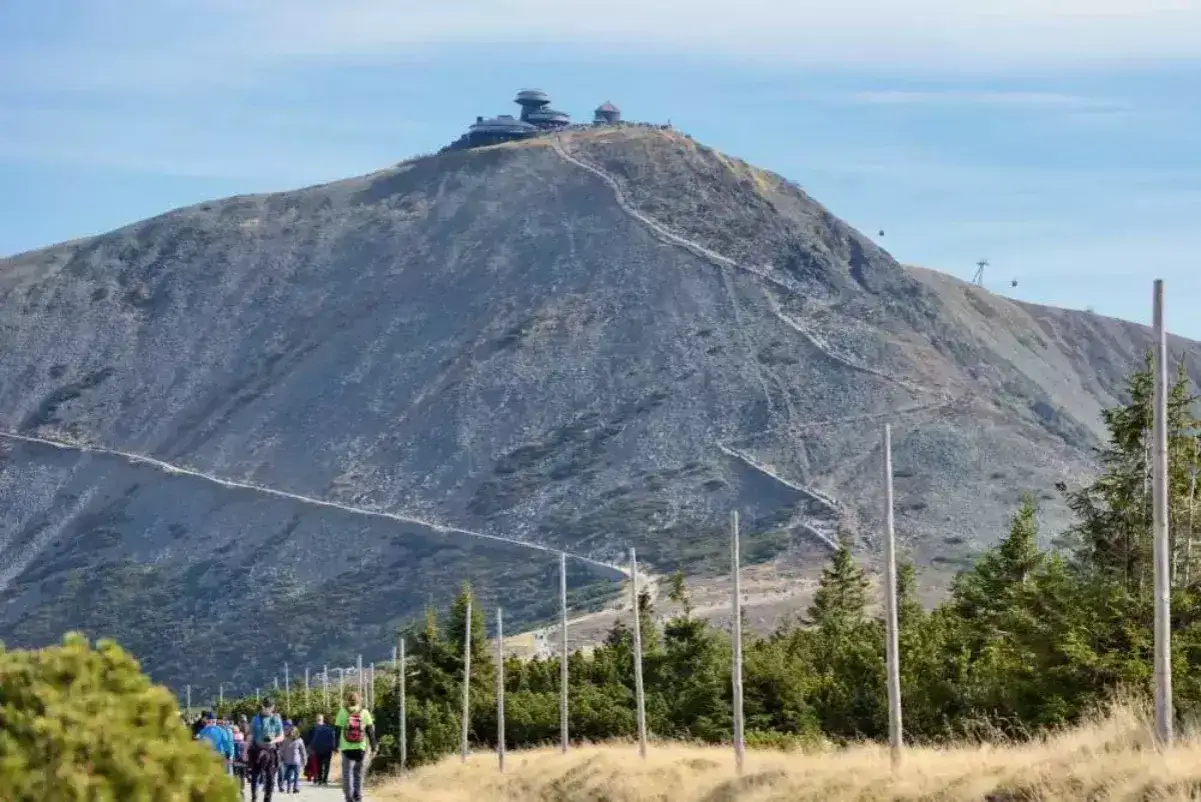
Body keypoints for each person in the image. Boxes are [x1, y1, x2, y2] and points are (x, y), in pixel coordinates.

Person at [334, 691, 377, 802]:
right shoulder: (365, 712)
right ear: (359, 700)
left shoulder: (342, 712)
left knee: (347, 774)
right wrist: (374, 746)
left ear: (347, 701)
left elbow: (337, 730)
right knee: (358, 774)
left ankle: (349, 798)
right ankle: (358, 797)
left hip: (346, 748)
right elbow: (370, 731)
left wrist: (335, 746)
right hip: (361, 747)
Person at [248, 697, 286, 802]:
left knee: (270, 776)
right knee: (255, 775)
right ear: (262, 706)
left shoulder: (276, 719)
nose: (268, 709)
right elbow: (250, 735)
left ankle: (267, 798)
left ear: (273, 707)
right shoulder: (255, 719)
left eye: (270, 707)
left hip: (271, 751)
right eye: (266, 707)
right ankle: (254, 797)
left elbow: (281, 736)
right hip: (256, 750)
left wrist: (273, 740)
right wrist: (245, 751)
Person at [308, 714, 337, 786]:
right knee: (327, 765)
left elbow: (312, 739)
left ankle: (320, 779)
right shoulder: (330, 729)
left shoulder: (315, 728)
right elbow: (332, 739)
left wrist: (312, 747)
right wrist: (334, 748)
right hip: (328, 749)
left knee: (319, 764)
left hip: (318, 748)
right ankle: (325, 780)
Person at [280, 727, 307, 794]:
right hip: (295, 761)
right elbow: (303, 751)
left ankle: (290, 788)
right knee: (295, 775)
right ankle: (294, 788)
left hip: (289, 760)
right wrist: (304, 760)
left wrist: (281, 757)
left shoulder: (286, 740)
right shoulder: (299, 740)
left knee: (289, 775)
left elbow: (281, 750)